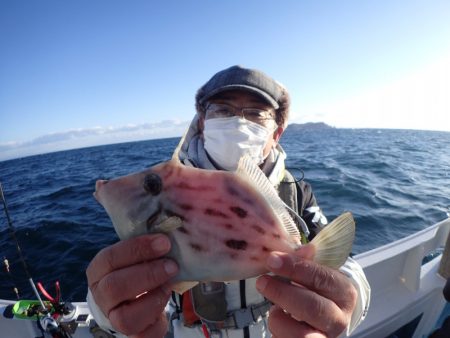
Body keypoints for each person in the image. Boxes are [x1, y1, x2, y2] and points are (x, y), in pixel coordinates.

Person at [86, 65, 371, 338]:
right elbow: (121, 274)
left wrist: (347, 304)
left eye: (257, 113)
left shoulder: (295, 194)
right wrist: (106, 310)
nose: (239, 122)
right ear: (202, 122)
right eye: (223, 110)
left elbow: (344, 266)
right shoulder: (167, 189)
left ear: (276, 133)